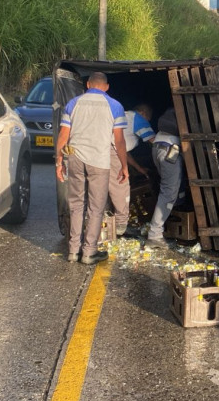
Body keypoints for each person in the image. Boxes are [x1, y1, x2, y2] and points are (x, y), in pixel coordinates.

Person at [55, 72, 128, 264]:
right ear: (106, 87)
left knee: (77, 204)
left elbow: (63, 135)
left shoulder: (73, 103)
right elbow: (119, 140)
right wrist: (124, 166)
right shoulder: (115, 106)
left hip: (75, 158)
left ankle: (72, 251)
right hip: (99, 161)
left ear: (88, 85)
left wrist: (59, 162)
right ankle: (89, 252)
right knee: (96, 207)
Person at [143, 107, 183, 249]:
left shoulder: (171, 112)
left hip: (159, 147)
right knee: (168, 192)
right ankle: (155, 235)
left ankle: (160, 229)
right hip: (170, 150)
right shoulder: (187, 110)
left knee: (168, 191)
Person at [124, 103, 155, 178]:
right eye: (147, 119)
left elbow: (123, 152)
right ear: (143, 113)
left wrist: (139, 168)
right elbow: (156, 142)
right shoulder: (138, 118)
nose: (147, 122)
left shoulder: (125, 116)